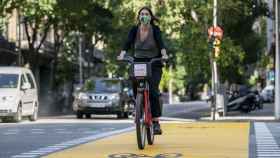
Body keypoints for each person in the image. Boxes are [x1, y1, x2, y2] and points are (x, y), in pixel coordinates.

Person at [117, 6, 168, 135]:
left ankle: (155, 122)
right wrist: (122, 54)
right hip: (138, 62)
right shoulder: (134, 29)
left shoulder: (155, 29)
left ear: (150, 17)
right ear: (139, 17)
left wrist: (164, 55)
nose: (143, 16)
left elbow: (161, 44)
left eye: (146, 14)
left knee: (153, 91)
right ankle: (138, 106)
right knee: (135, 83)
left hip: (153, 63)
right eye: (141, 14)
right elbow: (127, 43)